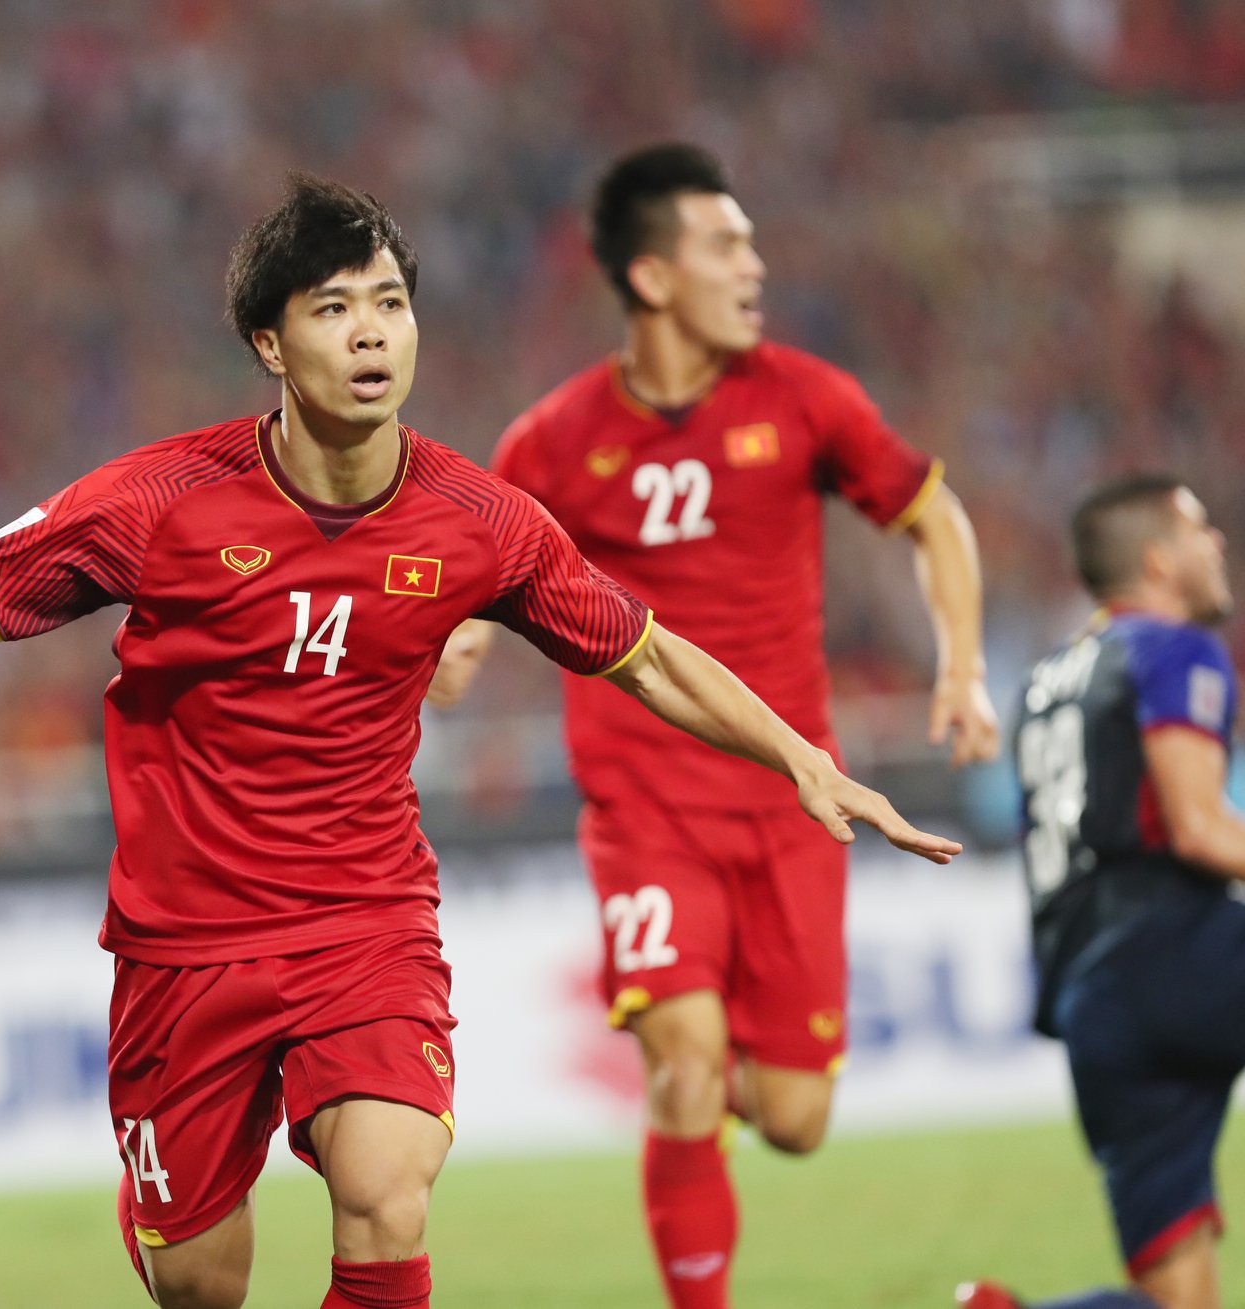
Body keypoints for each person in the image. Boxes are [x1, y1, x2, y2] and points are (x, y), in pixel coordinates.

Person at [0, 174, 959, 1309]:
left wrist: (800, 757)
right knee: (198, 1282)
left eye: (391, 304)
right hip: (181, 945)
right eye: (333, 308)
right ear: (269, 344)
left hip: (363, 918)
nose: (372, 333)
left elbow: (645, 652)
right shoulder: (157, 504)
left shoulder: (480, 522)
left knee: (384, 1188)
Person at [425, 142, 998, 1307]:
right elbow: (477, 570)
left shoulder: (807, 399)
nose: (756, 264)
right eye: (726, 245)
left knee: (792, 1117)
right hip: (646, 809)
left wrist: (965, 665)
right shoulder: (553, 438)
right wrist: (465, 638)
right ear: (650, 277)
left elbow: (935, 520)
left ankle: (721, 1057)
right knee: (684, 1070)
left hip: (797, 804)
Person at [958, 476, 1245, 1309]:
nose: (1219, 543)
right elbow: (1197, 826)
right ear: (1158, 558)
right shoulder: (1170, 647)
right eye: (1200, 528)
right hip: (1173, 955)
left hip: (1092, 1002)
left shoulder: (1046, 679)